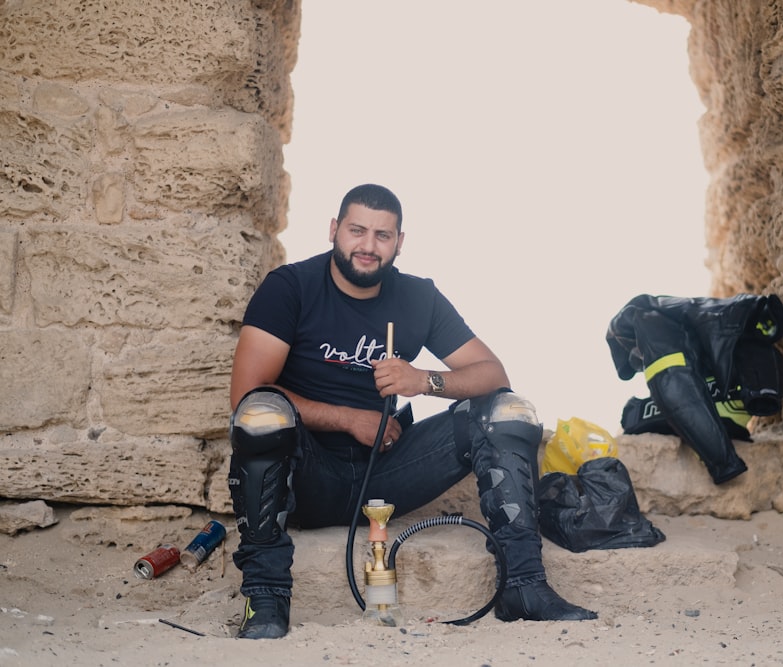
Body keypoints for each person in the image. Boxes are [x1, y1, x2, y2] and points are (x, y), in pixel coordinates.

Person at [227, 183, 597, 639]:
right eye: (357, 230)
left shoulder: (418, 297)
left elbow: (492, 372)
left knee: (507, 410)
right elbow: (247, 393)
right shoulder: (290, 288)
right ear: (333, 230)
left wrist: (425, 380)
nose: (368, 246)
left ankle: (523, 585)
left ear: (400, 242)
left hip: (388, 473)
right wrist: (348, 419)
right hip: (309, 475)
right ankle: (265, 597)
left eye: (383, 235)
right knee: (262, 414)